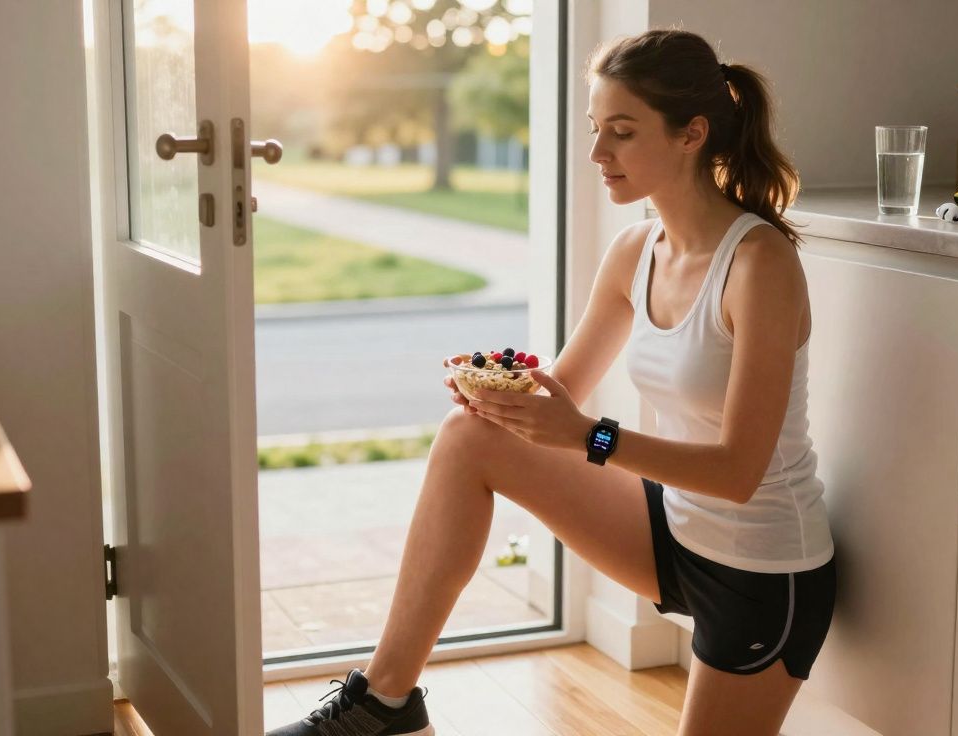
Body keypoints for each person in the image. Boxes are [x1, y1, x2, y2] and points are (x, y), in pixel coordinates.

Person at [267, 27, 836, 736]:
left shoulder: (759, 266)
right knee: (469, 436)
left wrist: (589, 437)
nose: (598, 153)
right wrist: (494, 393)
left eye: (622, 133)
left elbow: (738, 473)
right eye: (597, 129)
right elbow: (561, 389)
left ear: (692, 134)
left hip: (762, 574)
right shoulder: (636, 250)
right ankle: (385, 703)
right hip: (674, 531)